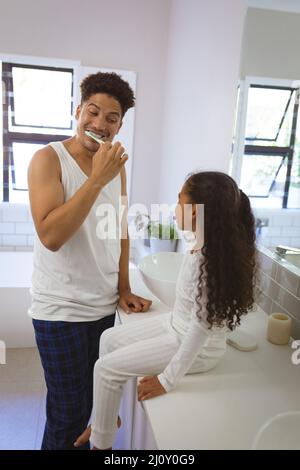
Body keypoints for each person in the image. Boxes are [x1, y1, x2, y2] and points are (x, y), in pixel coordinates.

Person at [74, 171, 257, 450]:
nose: (174, 209)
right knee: (107, 339)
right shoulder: (203, 246)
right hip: (175, 326)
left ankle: (101, 444)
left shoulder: (207, 261)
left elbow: (201, 327)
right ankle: (108, 420)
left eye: (179, 200)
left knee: (105, 369)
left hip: (194, 347)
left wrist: (167, 380)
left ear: (195, 212)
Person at [28, 71, 152, 450]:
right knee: (67, 415)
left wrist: (124, 287)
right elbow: (51, 236)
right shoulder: (48, 159)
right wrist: (96, 179)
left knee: (95, 411)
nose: (99, 124)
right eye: (93, 112)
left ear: (120, 125)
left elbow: (120, 227)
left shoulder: (117, 167)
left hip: (101, 310)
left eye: (111, 118)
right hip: (60, 311)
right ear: (79, 110)